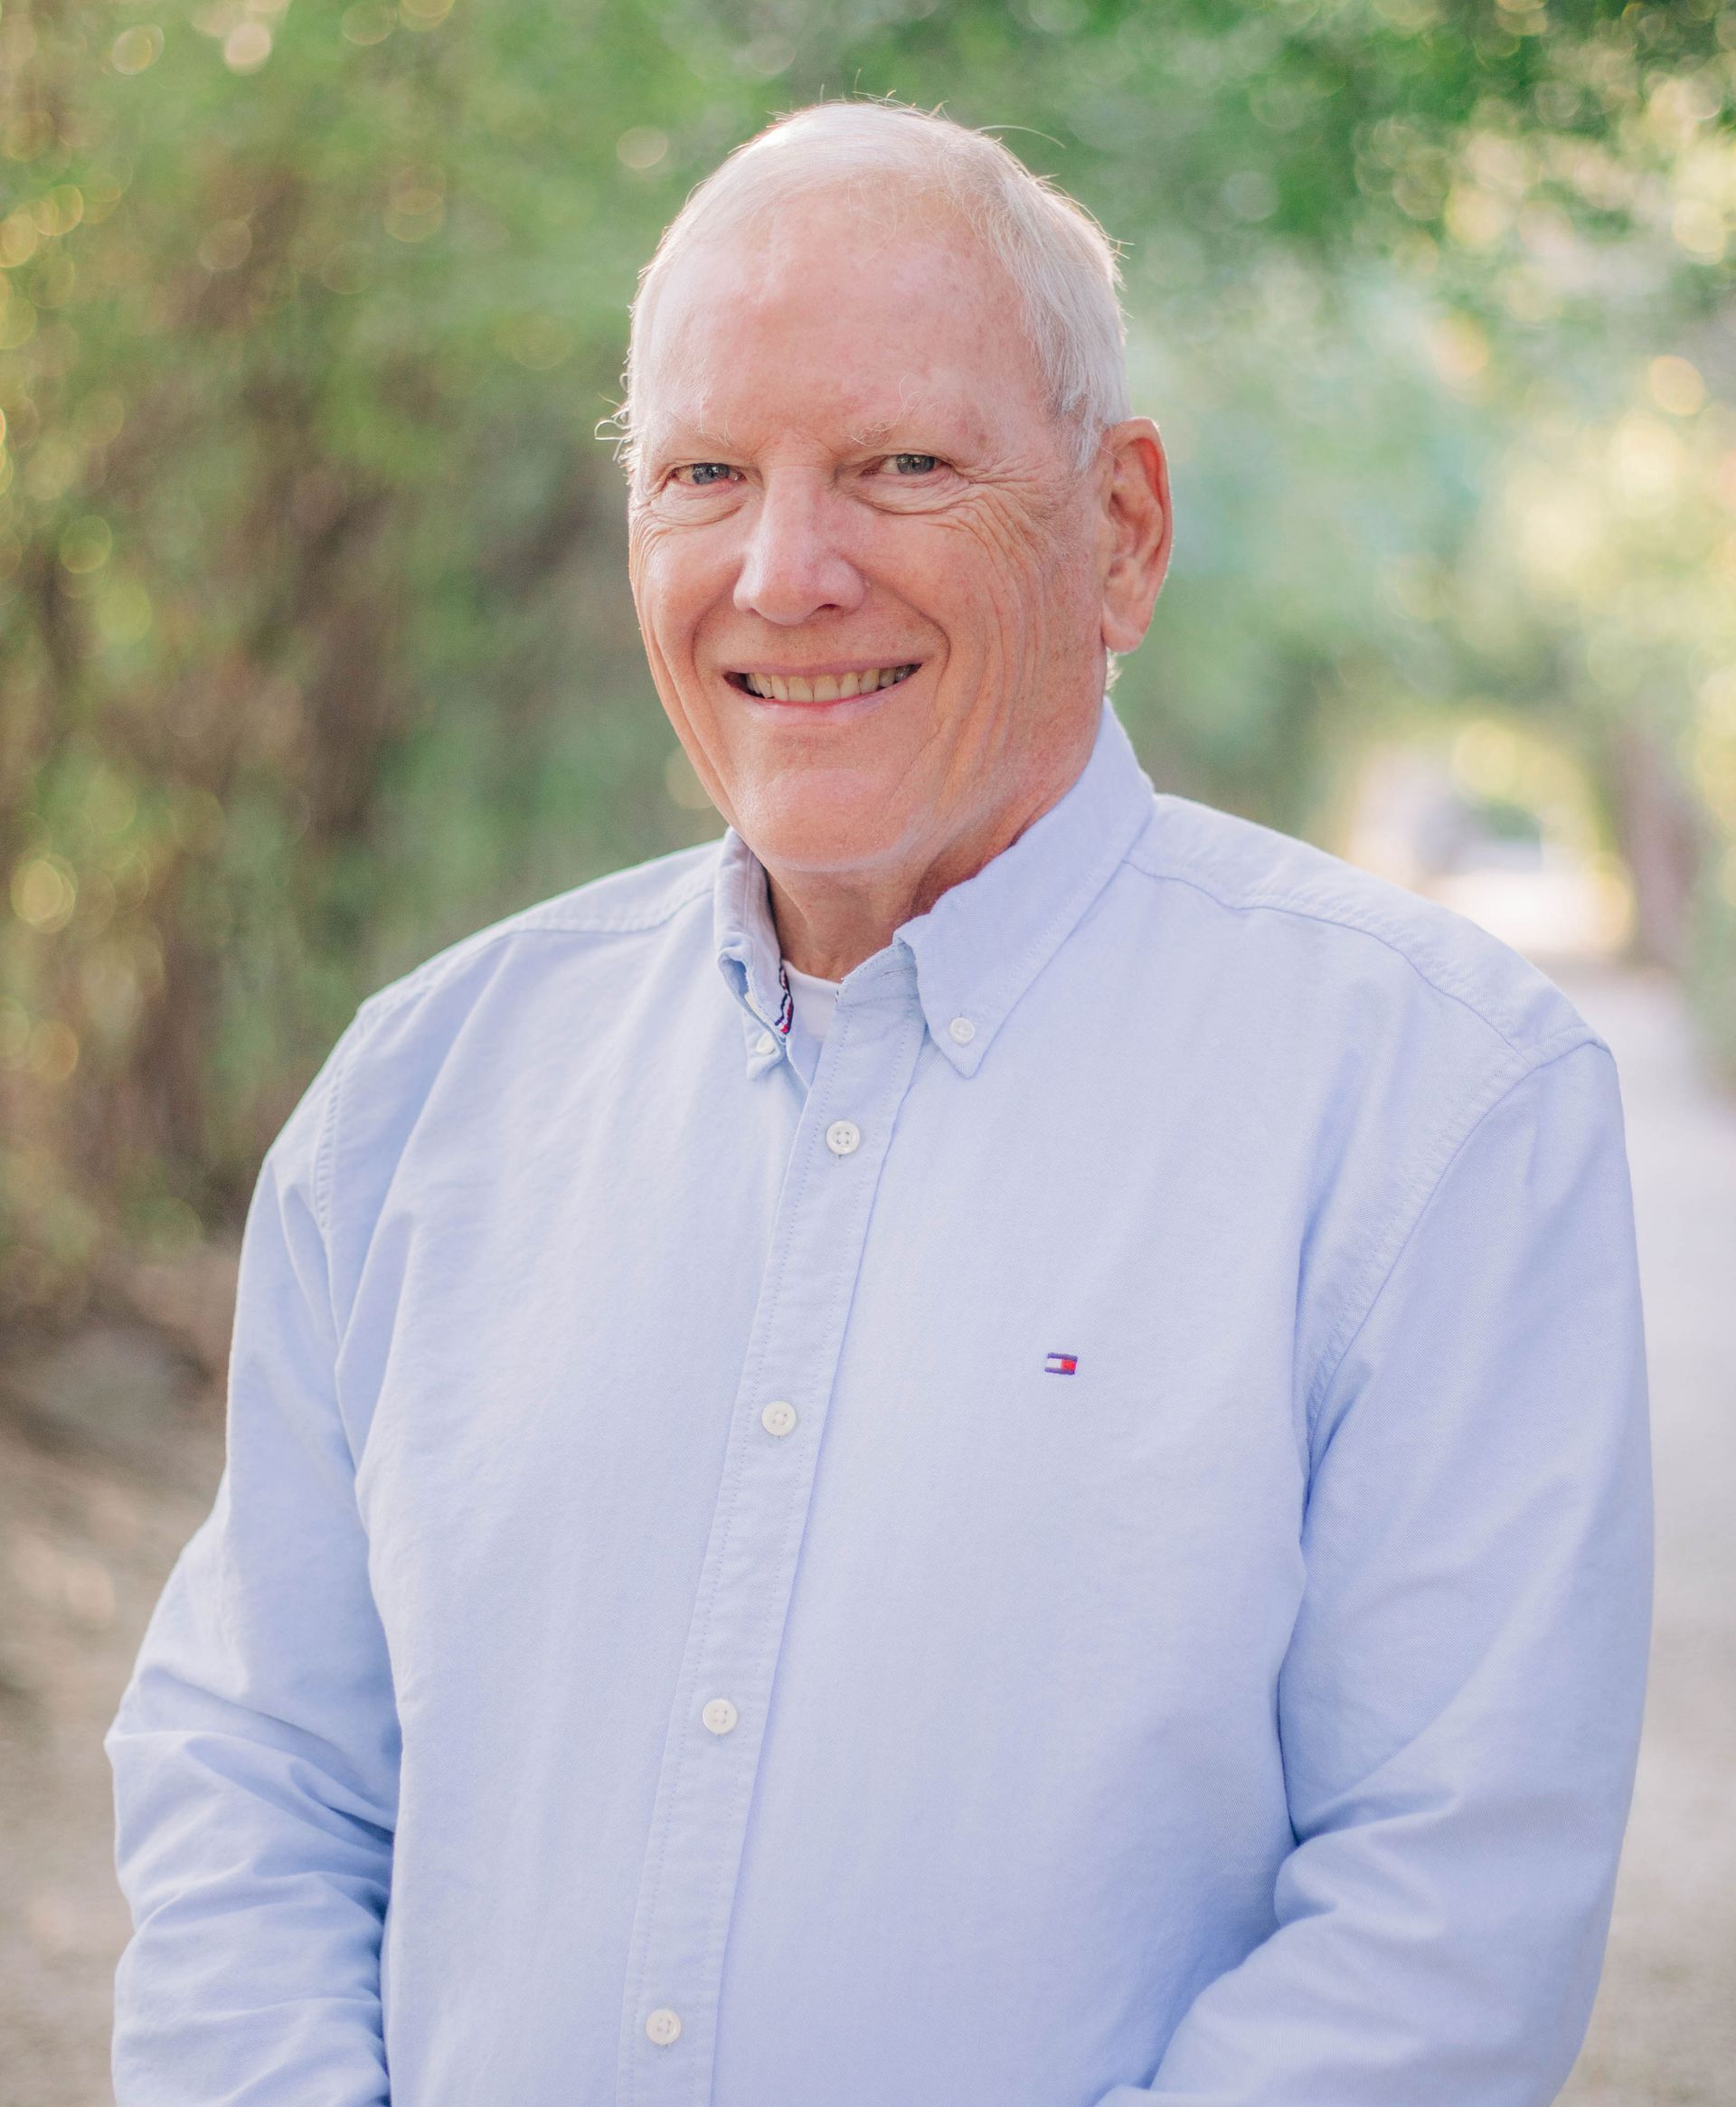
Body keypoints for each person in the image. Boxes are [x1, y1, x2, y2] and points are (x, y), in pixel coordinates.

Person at [106, 100, 1652, 2107]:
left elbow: (1444, 1924)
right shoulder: (422, 1098)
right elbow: (258, 1781)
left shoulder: (1439, 1105)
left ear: (1121, 531)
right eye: (704, 475)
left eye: (902, 466)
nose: (786, 569)